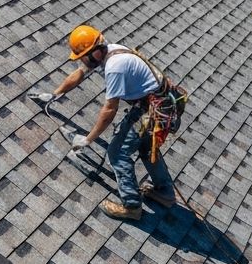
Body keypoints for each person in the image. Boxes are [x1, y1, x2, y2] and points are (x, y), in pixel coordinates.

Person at [43, 24, 175, 220]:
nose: (83, 61)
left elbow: (109, 110)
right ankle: (164, 192)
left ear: (95, 53)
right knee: (147, 147)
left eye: (83, 57)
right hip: (159, 105)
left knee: (117, 152)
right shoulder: (109, 51)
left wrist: (88, 139)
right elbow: (79, 73)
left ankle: (131, 207)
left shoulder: (115, 67)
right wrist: (55, 94)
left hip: (151, 111)